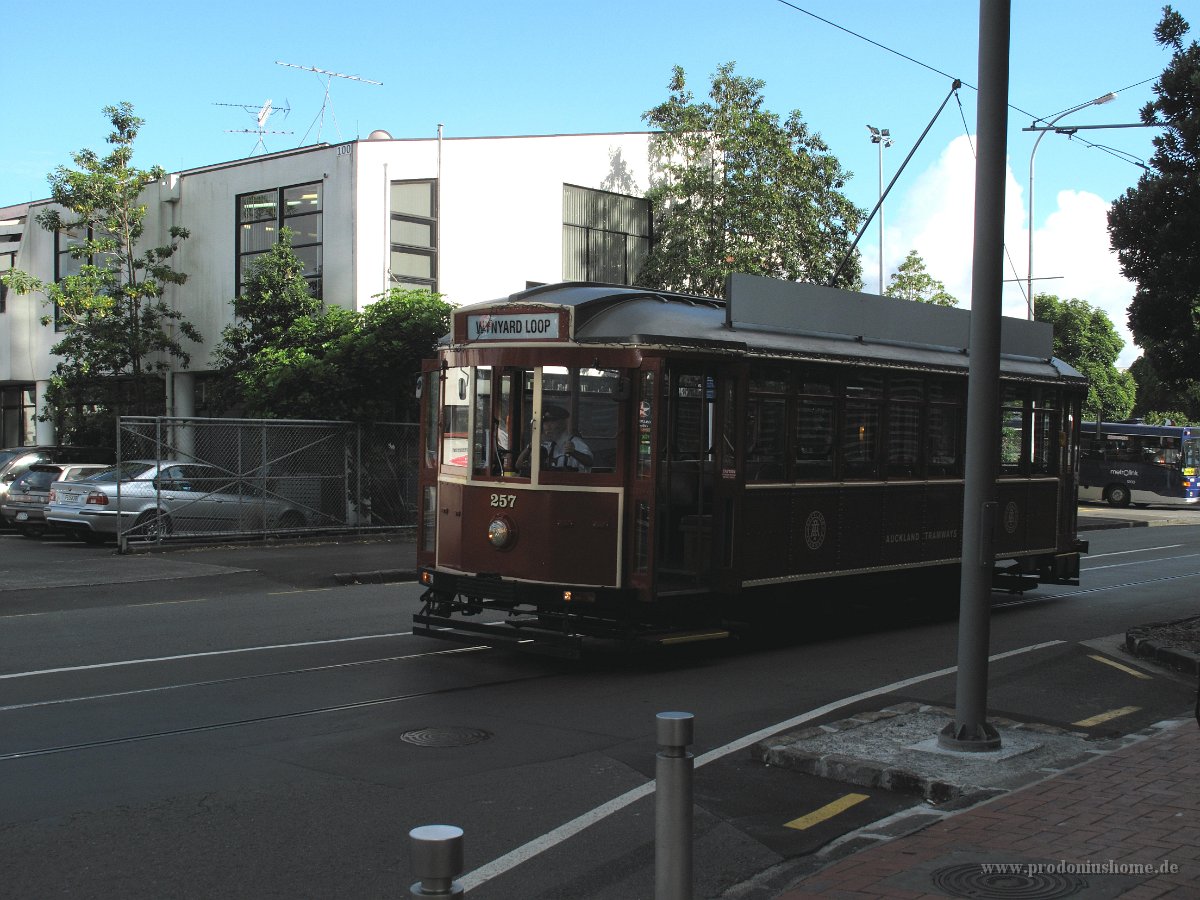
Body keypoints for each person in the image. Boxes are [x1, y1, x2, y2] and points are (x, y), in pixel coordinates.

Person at [516, 404, 592, 472]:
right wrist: (530, 447)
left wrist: (574, 452)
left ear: (562, 424)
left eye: (552, 421)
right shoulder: (544, 444)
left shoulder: (575, 443)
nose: (548, 426)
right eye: (545, 422)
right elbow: (518, 466)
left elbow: (590, 462)